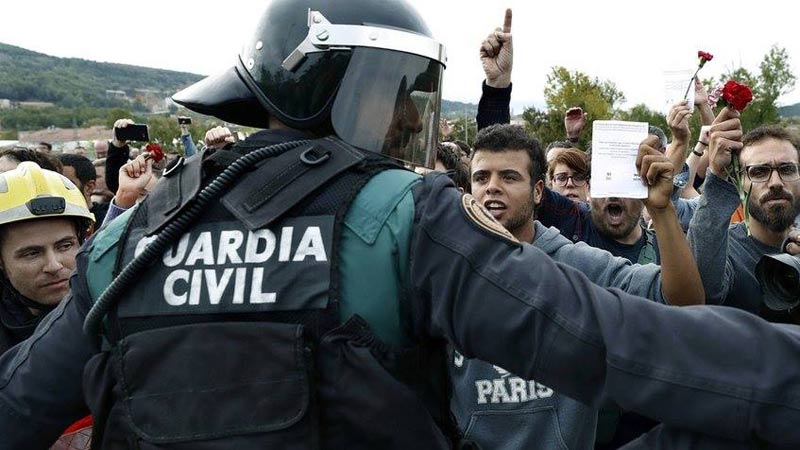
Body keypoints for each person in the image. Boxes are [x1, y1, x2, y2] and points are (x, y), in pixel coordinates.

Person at [3, 3, 800, 449]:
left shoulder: (134, 235)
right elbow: (619, 343)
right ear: (353, 86)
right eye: (402, 95)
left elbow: (19, 404)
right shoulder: (394, 216)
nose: (405, 122)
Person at [454, 123, 703, 450]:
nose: (492, 188)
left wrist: (661, 210)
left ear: (538, 191)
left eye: (510, 177)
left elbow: (683, 301)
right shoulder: (448, 266)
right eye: (481, 177)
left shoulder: (578, 266)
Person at [688, 123, 800, 316]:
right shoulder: (725, 251)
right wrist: (716, 177)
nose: (775, 183)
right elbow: (702, 294)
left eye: (787, 169)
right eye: (759, 172)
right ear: (739, 183)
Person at [0, 162, 94, 354]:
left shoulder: (111, 311)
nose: (54, 265)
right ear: (1, 261)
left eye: (65, 246)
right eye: (32, 253)